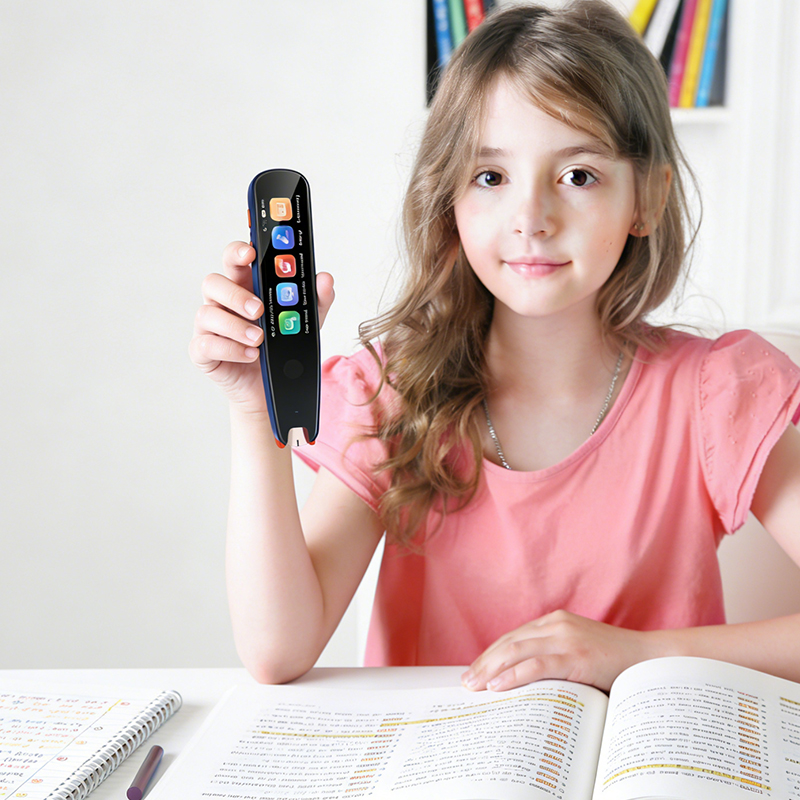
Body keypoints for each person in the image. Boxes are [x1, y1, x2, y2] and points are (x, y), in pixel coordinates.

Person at [189, 0, 800, 693]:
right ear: (449, 199)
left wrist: (632, 653)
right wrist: (252, 405)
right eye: (491, 177)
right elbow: (278, 649)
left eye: (578, 175)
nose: (531, 219)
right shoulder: (393, 395)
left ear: (648, 199)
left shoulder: (715, 395)